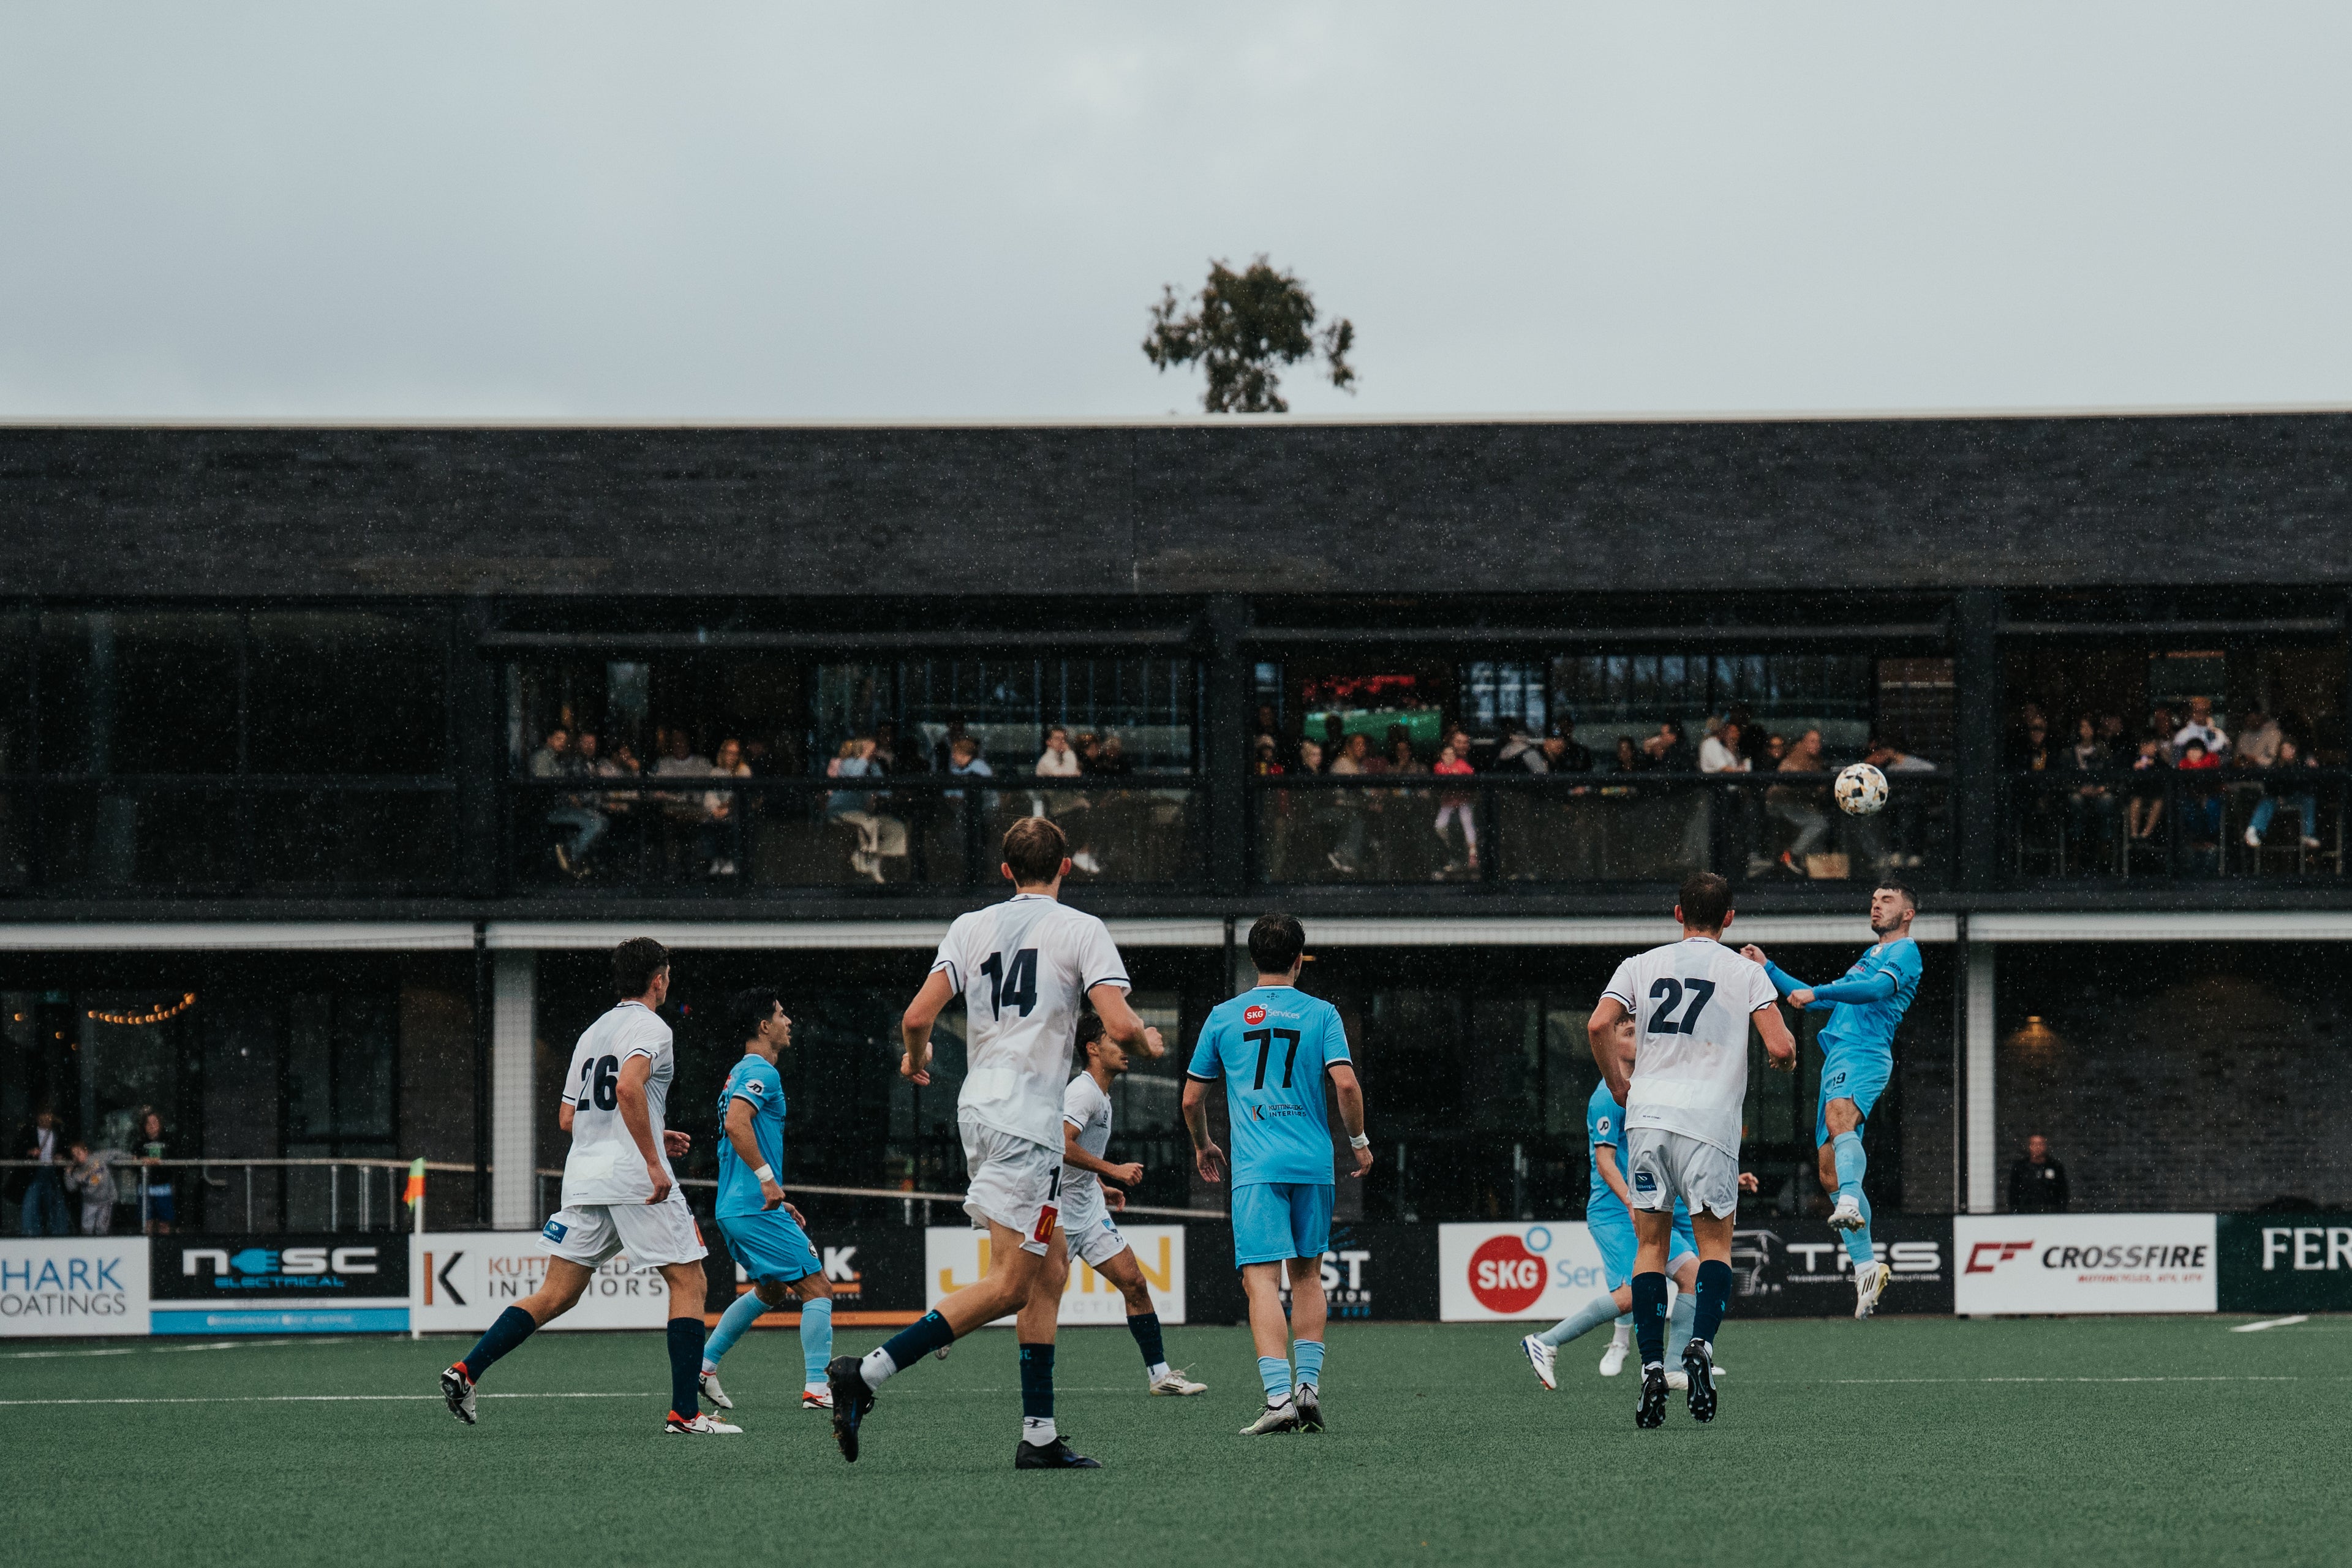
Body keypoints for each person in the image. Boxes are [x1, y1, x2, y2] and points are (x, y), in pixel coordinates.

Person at [831, 817, 1164, 1469]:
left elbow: (917, 1017)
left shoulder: (970, 925)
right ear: (1066, 866)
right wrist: (1144, 1038)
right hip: (1025, 1120)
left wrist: (914, 1059)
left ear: (1006, 870)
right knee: (1013, 1283)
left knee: (1053, 1264)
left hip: (980, 1108)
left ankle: (1038, 1434)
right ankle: (865, 1373)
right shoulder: (1081, 929)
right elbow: (1119, 1024)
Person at [439, 938, 724, 1434]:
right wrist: (654, 1162)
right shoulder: (652, 1027)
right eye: (668, 974)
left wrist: (654, 1129)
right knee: (690, 1281)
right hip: (635, 1179)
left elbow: (569, 1117)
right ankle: (685, 1414)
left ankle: (466, 1371)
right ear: (659, 979)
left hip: (587, 1177)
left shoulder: (594, 1032)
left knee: (557, 1293)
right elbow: (629, 1088)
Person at [1590, 874, 1794, 1427]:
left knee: (1650, 1248)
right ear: (1730, 918)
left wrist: (1618, 1084)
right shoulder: (1745, 971)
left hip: (1649, 1120)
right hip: (1709, 1125)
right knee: (1714, 1249)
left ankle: (1651, 1365)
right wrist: (1786, 1059)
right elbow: (1779, 1044)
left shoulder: (1639, 965)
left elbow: (1599, 1025)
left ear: (1677, 913)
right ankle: (1700, 1345)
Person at [1182, 912, 1371, 1437]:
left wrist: (1203, 1143)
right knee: (1307, 1275)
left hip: (1258, 1167)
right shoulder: (1323, 1014)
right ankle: (1308, 1389)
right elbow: (1348, 1087)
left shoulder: (1223, 1016)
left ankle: (1278, 1398)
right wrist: (1358, 1142)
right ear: (1298, 960)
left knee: (1260, 1280)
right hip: (1313, 1163)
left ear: (1252, 959)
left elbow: (1193, 1098)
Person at [1739, 880, 1923, 1320]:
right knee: (1827, 1173)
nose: (1876, 906)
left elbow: (1875, 991)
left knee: (1841, 1121)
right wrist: (1770, 968)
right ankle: (1866, 1267)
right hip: (1839, 1056)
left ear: (1909, 913)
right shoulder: (1870, 955)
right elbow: (1828, 999)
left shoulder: (1905, 953)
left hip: (1864, 1054)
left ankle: (1850, 1202)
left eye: (1888, 901)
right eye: (1875, 900)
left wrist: (1820, 991)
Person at [1521, 1079, 1760, 1393]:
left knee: (1691, 1278)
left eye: (1639, 1031)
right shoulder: (1607, 1096)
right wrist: (1630, 1201)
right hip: (1617, 1212)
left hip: (1652, 1205)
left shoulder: (1650, 1084)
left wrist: (1717, 1177)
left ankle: (1674, 1366)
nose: (1638, 1039)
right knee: (1633, 1296)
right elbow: (1605, 1162)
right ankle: (1544, 1342)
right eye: (1628, 1032)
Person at [1038, 1011, 1207, 1398]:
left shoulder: (1100, 1095)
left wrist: (1098, 1184)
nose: (1125, 1049)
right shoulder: (1082, 1092)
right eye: (1115, 1041)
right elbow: (1060, 1146)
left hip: (1088, 1210)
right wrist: (1112, 1170)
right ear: (1093, 1049)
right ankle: (950, 1326)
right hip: (1057, 1212)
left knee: (1134, 1283)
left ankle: (1160, 1376)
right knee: (1021, 1293)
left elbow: (1073, 1152)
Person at [696, 987, 837, 1414]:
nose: (788, 1021)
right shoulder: (763, 1073)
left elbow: (738, 1129)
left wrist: (768, 1188)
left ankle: (705, 1366)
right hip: (752, 1204)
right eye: (781, 1014)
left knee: (772, 1290)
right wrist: (767, 1181)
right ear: (763, 1026)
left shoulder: (737, 1073)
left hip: (734, 1207)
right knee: (818, 1288)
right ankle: (817, 1387)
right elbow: (739, 1124)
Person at [1766, 728, 1831, 874]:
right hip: (1782, 802)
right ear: (1804, 743)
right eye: (1812, 741)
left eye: (1819, 741)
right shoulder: (1796, 757)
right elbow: (1785, 776)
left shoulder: (1817, 762)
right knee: (1819, 823)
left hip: (1799, 804)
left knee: (1821, 825)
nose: (1816, 745)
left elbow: (1818, 790)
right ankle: (1791, 856)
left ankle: (1814, 869)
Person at [2246, 734, 2322, 851]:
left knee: (2309, 800)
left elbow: (2308, 786)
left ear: (2295, 749)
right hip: (2277, 798)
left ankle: (2308, 833)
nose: (2288, 752)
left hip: (2295, 797)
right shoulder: (2275, 766)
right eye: (2285, 749)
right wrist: (2278, 794)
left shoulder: (2302, 764)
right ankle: (2254, 829)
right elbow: (2269, 787)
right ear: (2280, 751)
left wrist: (2312, 769)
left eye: (2291, 749)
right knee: (2267, 800)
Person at [11, 1108, 70, 1236]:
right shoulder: (27, 1132)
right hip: (35, 1172)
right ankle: (31, 1234)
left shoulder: (60, 1132)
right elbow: (16, 1150)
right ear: (37, 1117)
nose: (46, 1118)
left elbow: (68, 1150)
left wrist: (62, 1157)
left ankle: (58, 1234)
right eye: (43, 1114)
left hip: (53, 1171)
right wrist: (29, 1152)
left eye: (48, 1114)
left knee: (54, 1204)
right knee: (32, 1204)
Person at [1432, 735, 1478, 877]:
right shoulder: (1439, 766)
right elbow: (1441, 773)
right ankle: (1449, 847)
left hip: (1463, 801)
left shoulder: (1461, 764)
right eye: (1447, 754)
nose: (1450, 757)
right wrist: (1453, 773)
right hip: (1447, 803)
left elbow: (1470, 773)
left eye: (1452, 754)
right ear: (1442, 756)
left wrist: (1459, 773)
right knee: (1439, 826)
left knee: (1467, 823)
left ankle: (1472, 854)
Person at [135, 1108, 178, 1234]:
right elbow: (134, 1159)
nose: (152, 1126)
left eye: (155, 1122)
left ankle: (164, 1248)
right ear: (144, 1126)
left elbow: (174, 1157)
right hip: (145, 1187)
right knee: (147, 1222)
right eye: (148, 1123)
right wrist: (140, 1160)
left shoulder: (168, 1140)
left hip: (163, 1187)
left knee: (164, 1222)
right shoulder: (140, 1143)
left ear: (160, 1124)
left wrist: (155, 1161)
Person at [2008, 1134, 2070, 1213]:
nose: (2038, 1147)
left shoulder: (2055, 1166)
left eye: (2040, 1144)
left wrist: (2060, 1210)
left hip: (2050, 1213)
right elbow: (2013, 1192)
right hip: (2025, 1214)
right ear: (2029, 1147)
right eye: (2034, 1144)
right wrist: (2016, 1211)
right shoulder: (2021, 1167)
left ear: (2045, 1146)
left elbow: (2063, 1191)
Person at [66, 1139, 116, 1235]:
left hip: (105, 1201)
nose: (77, 1157)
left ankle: (101, 1248)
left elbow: (114, 1153)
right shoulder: (78, 1171)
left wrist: (131, 1157)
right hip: (90, 1202)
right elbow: (71, 1188)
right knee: (87, 1229)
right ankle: (88, 1248)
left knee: (102, 1229)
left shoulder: (98, 1157)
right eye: (74, 1155)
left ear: (86, 1151)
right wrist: (68, 1173)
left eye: (79, 1153)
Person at [2127, 731, 2169, 842]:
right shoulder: (2133, 759)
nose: (2153, 748)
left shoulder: (2159, 761)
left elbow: (2168, 772)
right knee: (2136, 802)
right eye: (2150, 745)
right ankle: (2134, 836)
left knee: (2159, 803)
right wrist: (2134, 768)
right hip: (2137, 793)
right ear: (2142, 746)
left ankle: (2146, 834)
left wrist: (2155, 765)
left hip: (2155, 793)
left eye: (2154, 745)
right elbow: (2124, 774)